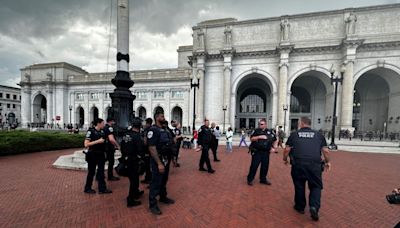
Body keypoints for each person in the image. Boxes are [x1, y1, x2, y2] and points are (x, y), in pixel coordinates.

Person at [283, 117, 331, 221]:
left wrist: (285, 159)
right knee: (316, 186)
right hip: (314, 165)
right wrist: (328, 162)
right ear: (309, 124)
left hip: (298, 164)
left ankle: (300, 207)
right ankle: (314, 206)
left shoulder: (294, 134)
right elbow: (326, 151)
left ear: (301, 123)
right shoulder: (319, 135)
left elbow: (287, 149)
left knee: (299, 185)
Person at [147, 112, 175, 215]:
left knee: (164, 180)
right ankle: (153, 204)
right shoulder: (153, 130)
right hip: (158, 160)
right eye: (162, 116)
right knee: (156, 182)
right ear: (157, 118)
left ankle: (163, 197)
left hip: (166, 159)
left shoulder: (165, 129)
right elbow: (151, 147)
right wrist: (159, 163)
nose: (164, 118)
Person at [120, 117, 145, 207]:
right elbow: (140, 150)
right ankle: (130, 200)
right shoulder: (137, 136)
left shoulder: (126, 134)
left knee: (134, 179)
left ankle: (136, 192)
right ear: (139, 126)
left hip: (126, 159)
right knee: (134, 180)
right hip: (133, 161)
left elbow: (121, 146)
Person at [83, 118, 112, 194]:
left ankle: (102, 189)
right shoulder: (91, 131)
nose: (104, 125)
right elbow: (86, 144)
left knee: (101, 172)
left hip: (101, 154)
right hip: (92, 154)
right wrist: (98, 141)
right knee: (91, 172)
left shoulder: (103, 132)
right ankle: (87, 188)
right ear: (98, 124)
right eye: (102, 123)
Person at [247, 119, 277, 186]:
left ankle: (263, 179)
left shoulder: (270, 131)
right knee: (254, 166)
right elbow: (251, 139)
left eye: (262, 124)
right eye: (259, 124)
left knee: (265, 167)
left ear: (265, 124)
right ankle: (250, 179)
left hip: (266, 152)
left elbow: (275, 140)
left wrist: (274, 148)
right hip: (257, 152)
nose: (260, 125)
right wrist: (259, 136)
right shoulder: (256, 131)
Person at [141, 118, 153, 184]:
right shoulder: (152, 129)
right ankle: (147, 178)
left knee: (147, 165)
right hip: (151, 149)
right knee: (148, 165)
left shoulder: (146, 130)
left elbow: (145, 141)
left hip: (146, 150)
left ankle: (149, 179)